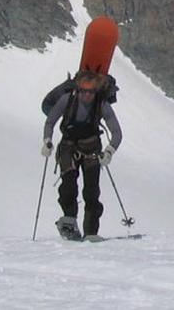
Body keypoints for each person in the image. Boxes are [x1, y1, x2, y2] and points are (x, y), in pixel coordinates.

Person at [42, 70, 122, 241]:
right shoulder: (67, 99)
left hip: (90, 148)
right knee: (69, 186)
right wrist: (47, 141)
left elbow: (117, 133)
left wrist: (109, 151)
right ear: (78, 89)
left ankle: (90, 232)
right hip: (69, 147)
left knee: (91, 191)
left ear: (96, 91)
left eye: (90, 92)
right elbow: (50, 121)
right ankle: (70, 222)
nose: (86, 95)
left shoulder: (101, 104)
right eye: (83, 91)